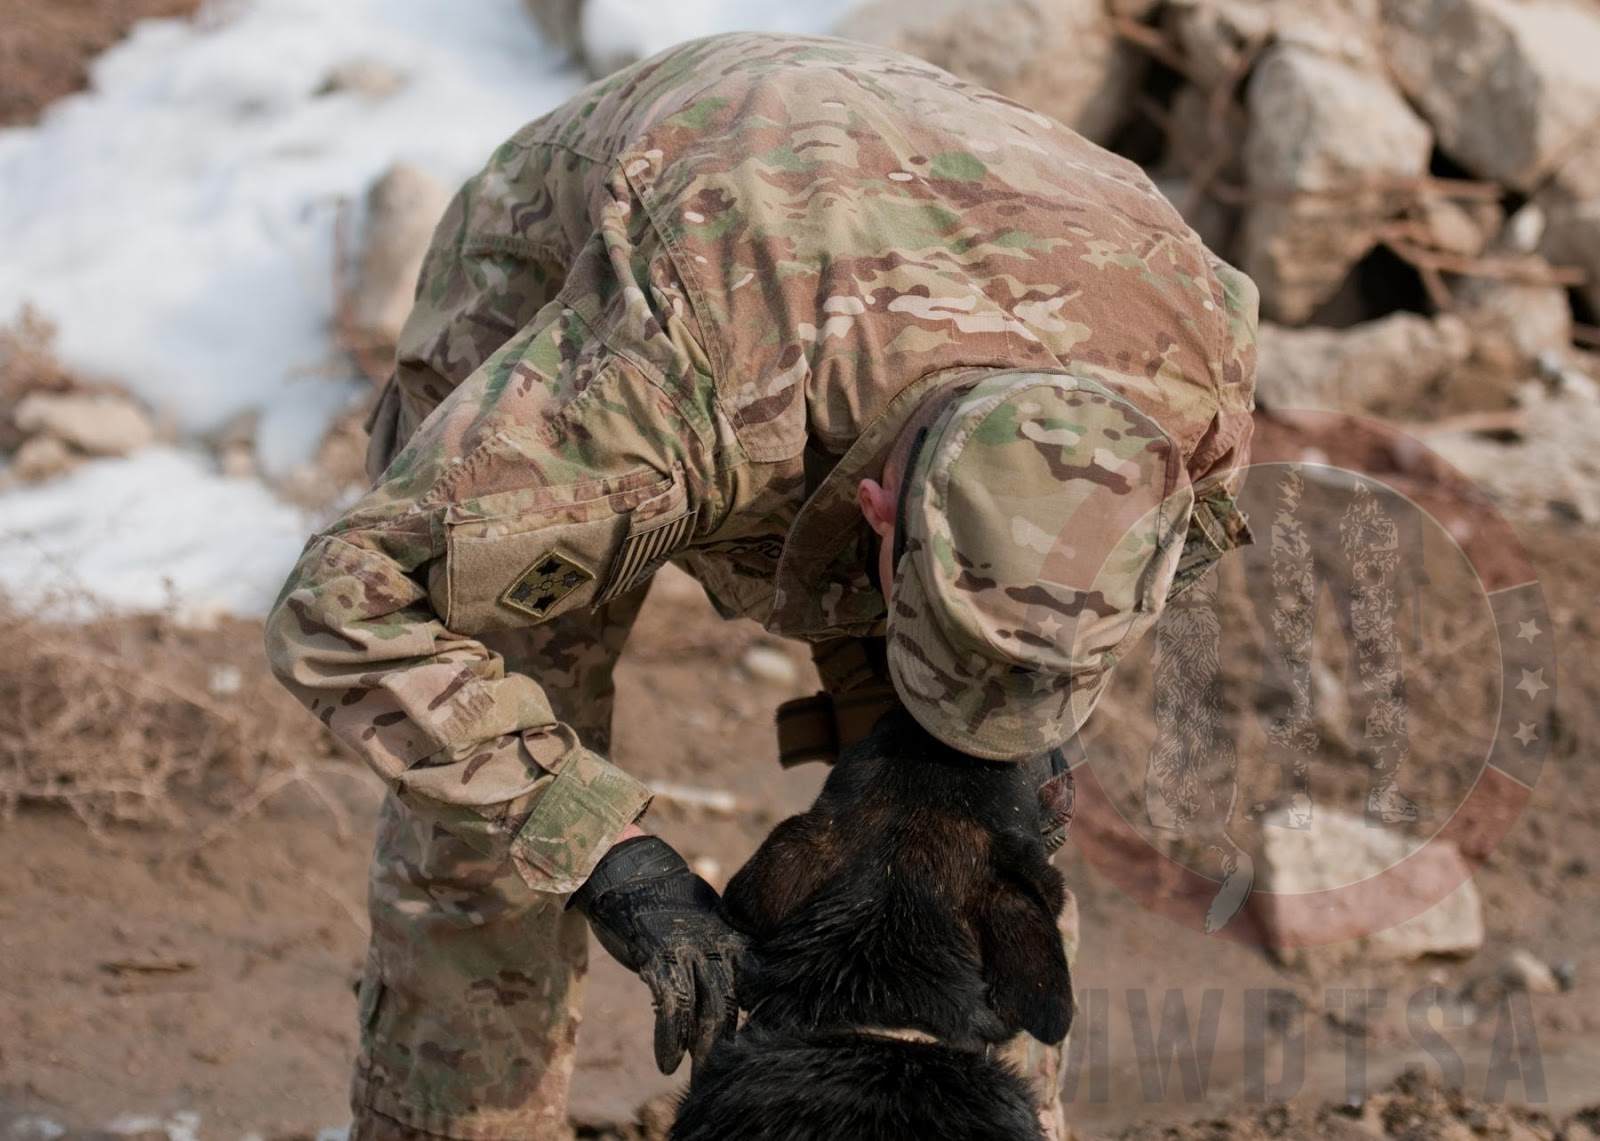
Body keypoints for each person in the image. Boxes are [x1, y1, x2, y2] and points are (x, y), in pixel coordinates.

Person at [264, 31, 1258, 1141]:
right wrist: (608, 855)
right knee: (490, 843)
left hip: (951, 248)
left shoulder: (1186, 390)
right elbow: (346, 605)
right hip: (638, 260)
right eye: (949, 642)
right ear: (877, 520)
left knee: (980, 834)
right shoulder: (658, 405)